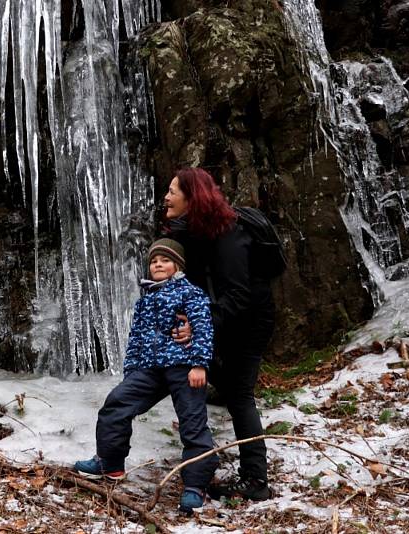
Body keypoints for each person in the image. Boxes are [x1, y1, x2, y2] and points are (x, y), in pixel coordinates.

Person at [74, 238, 217, 514]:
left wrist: (200, 364)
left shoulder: (190, 293)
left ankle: (195, 486)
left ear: (177, 266)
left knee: (192, 424)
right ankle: (110, 463)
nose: (158, 265)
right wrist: (130, 372)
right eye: (154, 261)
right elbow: (136, 340)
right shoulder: (145, 300)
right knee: (116, 402)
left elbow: (202, 327)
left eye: (164, 260)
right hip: (149, 369)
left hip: (184, 366)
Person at [162, 167, 275, 501]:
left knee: (240, 394)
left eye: (172, 191)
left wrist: (196, 323)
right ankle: (224, 389)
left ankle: (256, 480)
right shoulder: (195, 231)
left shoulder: (229, 235)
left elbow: (238, 296)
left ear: (191, 198)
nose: (166, 197)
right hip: (226, 317)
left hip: (251, 319)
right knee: (227, 384)